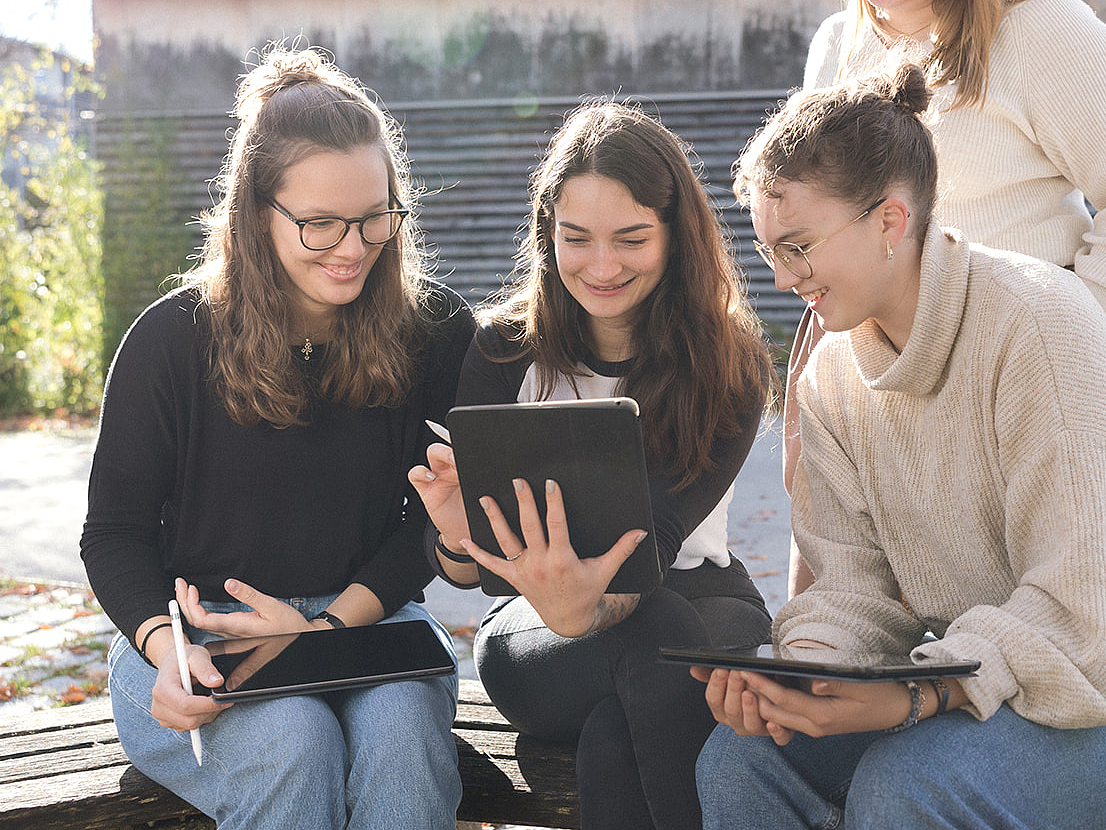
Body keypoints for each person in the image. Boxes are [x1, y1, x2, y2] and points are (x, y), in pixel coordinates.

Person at [693, 63, 1106, 829]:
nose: (783, 280)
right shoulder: (831, 380)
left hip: (1087, 694)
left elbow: (1082, 605)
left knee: (905, 783)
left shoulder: (1040, 325)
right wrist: (802, 678)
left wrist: (921, 692)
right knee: (741, 757)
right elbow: (854, 588)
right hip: (975, 681)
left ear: (889, 220)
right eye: (771, 252)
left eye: (799, 247)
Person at [80, 46, 475, 830]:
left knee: (402, 737)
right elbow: (114, 534)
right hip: (198, 634)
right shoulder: (169, 339)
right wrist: (166, 649)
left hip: (373, 622)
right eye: (319, 224)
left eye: (375, 217)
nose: (354, 248)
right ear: (255, 214)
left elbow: (431, 526)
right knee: (293, 740)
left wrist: (323, 630)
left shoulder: (435, 330)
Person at [408, 100, 775, 829]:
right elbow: (466, 574)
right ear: (547, 233)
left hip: (701, 598)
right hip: (538, 627)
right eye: (575, 239)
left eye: (632, 239)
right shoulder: (503, 352)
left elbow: (655, 545)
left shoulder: (727, 365)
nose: (602, 267)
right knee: (657, 640)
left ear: (676, 237)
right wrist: (455, 534)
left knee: (618, 727)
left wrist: (591, 605)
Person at [785, 0, 1106, 594]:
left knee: (1045, 599)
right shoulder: (836, 42)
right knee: (845, 601)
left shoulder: (1041, 26)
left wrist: (1071, 324)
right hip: (882, 376)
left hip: (1019, 378)